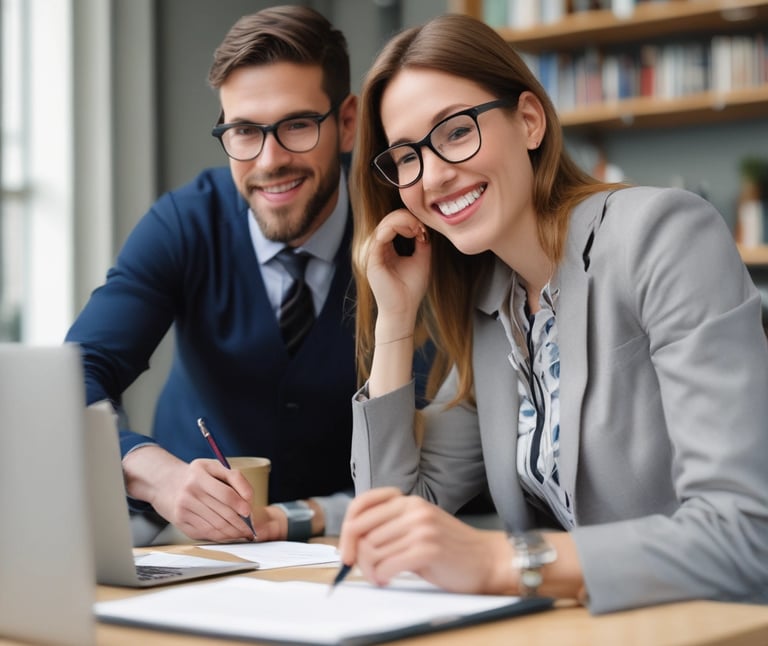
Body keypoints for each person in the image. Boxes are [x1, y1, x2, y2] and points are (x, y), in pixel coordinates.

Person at [338, 13, 768, 614]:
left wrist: (499, 561)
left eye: (456, 132)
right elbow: (397, 516)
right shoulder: (497, 309)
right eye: (406, 156)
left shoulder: (662, 235)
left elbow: (747, 532)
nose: (432, 175)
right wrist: (394, 319)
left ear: (530, 121)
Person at [66, 5, 359, 545]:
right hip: (188, 543)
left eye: (296, 125)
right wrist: (154, 472)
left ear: (345, 124)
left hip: (352, 543)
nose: (269, 160)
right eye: (244, 131)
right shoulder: (183, 223)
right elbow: (75, 377)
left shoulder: (401, 232)